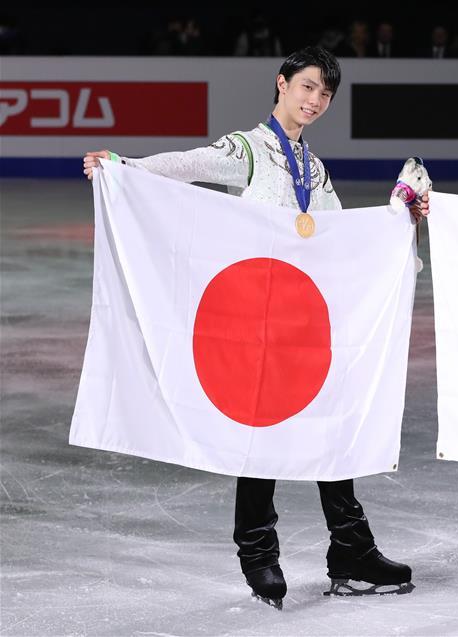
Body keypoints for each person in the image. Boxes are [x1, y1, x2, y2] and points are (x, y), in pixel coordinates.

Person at [83, 46, 427, 610]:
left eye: (325, 95)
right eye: (307, 87)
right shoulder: (249, 151)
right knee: (258, 435)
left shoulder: (313, 169)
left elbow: (340, 236)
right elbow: (190, 165)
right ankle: (258, 554)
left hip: (303, 324)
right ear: (283, 83)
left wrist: (396, 221)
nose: (315, 101)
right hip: (254, 325)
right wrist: (127, 168)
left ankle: (351, 551)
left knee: (327, 428)